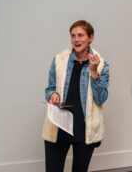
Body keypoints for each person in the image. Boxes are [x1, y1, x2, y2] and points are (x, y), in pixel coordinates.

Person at [43, 20, 110, 172]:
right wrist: (52, 95)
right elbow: (50, 89)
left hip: (84, 129)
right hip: (59, 127)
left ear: (90, 38)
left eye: (80, 35)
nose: (76, 39)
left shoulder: (101, 65)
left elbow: (101, 99)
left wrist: (94, 72)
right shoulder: (59, 60)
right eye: (73, 36)